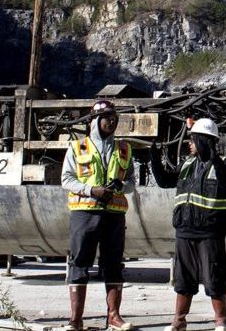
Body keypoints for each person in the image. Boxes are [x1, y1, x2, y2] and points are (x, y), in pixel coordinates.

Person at [61, 100, 135, 331]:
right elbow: (66, 179)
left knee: (114, 263)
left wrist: (121, 186)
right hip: (85, 213)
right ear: (95, 121)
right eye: (107, 119)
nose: (111, 123)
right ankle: (75, 320)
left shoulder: (124, 149)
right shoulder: (77, 147)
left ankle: (114, 317)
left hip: (114, 214)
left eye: (114, 119)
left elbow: (132, 182)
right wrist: (91, 190)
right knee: (80, 263)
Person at [168, 118, 226, 331]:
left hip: (210, 232)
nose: (189, 144)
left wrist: (214, 157)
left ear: (203, 141)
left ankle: (221, 321)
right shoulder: (187, 164)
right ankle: (179, 321)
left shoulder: (224, 163)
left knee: (214, 276)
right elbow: (164, 180)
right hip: (184, 230)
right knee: (183, 278)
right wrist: (154, 156)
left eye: (193, 140)